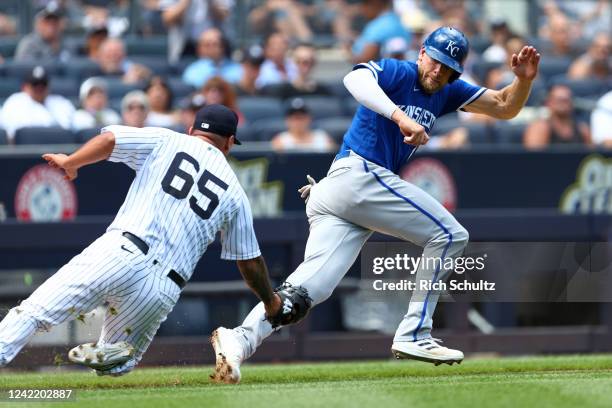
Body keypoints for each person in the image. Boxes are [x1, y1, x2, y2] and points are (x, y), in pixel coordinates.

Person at [210, 26, 541, 383]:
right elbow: (355, 79)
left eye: (448, 68)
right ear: (422, 54)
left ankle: (239, 340)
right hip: (358, 175)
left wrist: (522, 81)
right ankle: (415, 332)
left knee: (303, 296)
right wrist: (401, 117)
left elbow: (506, 107)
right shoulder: (402, 72)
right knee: (450, 235)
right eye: (435, 61)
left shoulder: (446, 90)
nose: (438, 72)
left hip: (343, 196)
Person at [0, 104, 282, 376]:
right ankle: (113, 353)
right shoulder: (235, 193)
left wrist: (72, 162)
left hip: (121, 251)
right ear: (230, 142)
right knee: (122, 365)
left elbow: (110, 139)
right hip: (163, 287)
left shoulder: (167, 140)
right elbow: (249, 260)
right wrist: (270, 302)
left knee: (34, 313)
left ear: (191, 129)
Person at [0, 66, 75, 142]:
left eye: (43, 84)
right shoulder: (14, 103)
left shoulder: (61, 103)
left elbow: (68, 133)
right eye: (35, 84)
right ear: (24, 87)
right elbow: (10, 137)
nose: (39, 88)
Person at [523, 84, 591, 149]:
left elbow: (592, 155)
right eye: (559, 100)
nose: (563, 104)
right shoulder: (539, 128)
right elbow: (533, 157)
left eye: (566, 100)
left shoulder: (582, 129)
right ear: (548, 103)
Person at [262, 43, 331, 99]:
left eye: (310, 62)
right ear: (293, 62)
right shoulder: (283, 91)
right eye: (300, 62)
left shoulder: (323, 92)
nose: (306, 67)